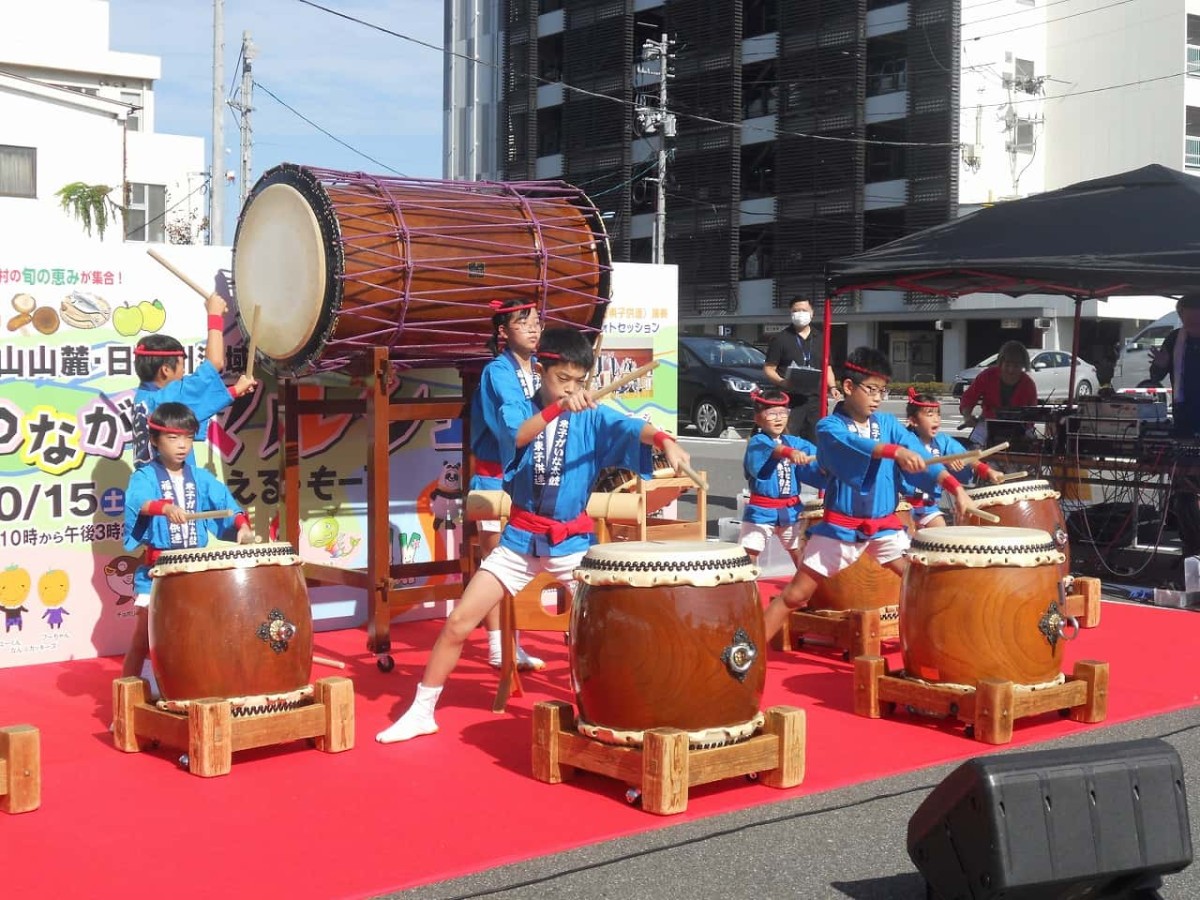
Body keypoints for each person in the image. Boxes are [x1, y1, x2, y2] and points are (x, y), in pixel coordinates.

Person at [376, 327, 692, 743]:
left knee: (612, 630)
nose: (573, 389)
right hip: (519, 541)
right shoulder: (519, 410)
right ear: (542, 370)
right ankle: (422, 712)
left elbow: (633, 427)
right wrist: (559, 406)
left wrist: (666, 441)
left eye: (580, 382)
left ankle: (634, 710)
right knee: (457, 623)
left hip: (573, 545)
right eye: (564, 379)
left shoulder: (592, 416)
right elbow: (517, 436)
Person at [762, 347, 975, 642]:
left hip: (884, 526)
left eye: (882, 391)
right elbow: (852, 445)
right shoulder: (829, 427)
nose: (877, 398)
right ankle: (750, 650)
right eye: (871, 389)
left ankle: (943, 642)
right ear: (848, 387)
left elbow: (921, 456)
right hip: (841, 528)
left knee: (919, 581)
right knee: (796, 596)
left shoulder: (887, 424)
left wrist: (956, 488)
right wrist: (894, 452)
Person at [121, 402, 255, 694]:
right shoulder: (144, 476)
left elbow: (227, 506)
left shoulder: (200, 478)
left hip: (195, 571)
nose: (182, 445)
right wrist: (163, 507)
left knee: (201, 637)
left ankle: (195, 692)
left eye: (186, 438)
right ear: (155, 440)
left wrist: (242, 526)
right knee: (143, 639)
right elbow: (138, 503)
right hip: (158, 573)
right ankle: (125, 705)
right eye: (173, 438)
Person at [470, 298, 545, 671]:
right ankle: (499, 646)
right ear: (503, 332)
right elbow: (515, 418)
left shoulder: (541, 370)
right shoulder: (497, 371)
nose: (534, 329)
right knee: (497, 564)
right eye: (523, 322)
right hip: (492, 478)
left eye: (537, 322)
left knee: (519, 564)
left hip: (525, 479)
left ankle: (513, 642)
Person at [131, 290, 256, 468]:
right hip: (170, 486)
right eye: (181, 365)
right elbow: (215, 363)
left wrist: (236, 390)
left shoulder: (143, 398)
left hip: (151, 483)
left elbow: (193, 404)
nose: (183, 372)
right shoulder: (167, 397)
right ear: (166, 370)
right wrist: (214, 315)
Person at [739, 388, 827, 568]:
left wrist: (829, 463)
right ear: (757, 417)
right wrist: (790, 453)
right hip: (762, 510)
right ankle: (748, 592)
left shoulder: (795, 442)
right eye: (772, 413)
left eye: (783, 413)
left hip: (791, 511)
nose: (778, 418)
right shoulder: (758, 441)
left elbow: (817, 460)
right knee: (748, 557)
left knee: (802, 556)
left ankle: (807, 593)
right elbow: (774, 450)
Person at [900, 389, 1005, 529]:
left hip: (928, 503)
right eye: (930, 415)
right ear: (913, 421)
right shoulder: (905, 439)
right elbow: (921, 461)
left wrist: (987, 471)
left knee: (940, 533)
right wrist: (945, 461)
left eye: (938, 414)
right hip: (904, 501)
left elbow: (966, 456)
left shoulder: (942, 440)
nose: (936, 419)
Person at [1148, 294, 1200, 557]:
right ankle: (1191, 549)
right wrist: (1158, 367)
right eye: (1185, 320)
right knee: (1184, 492)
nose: (1189, 327)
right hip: (1183, 424)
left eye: (1194, 321)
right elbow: (1155, 376)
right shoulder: (1174, 338)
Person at [762, 297, 840, 442]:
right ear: (790, 314)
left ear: (811, 313)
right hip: (790, 400)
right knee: (788, 440)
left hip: (816, 400)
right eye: (796, 311)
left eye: (804, 310)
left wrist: (833, 386)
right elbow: (769, 368)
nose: (800, 314)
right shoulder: (780, 339)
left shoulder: (821, 338)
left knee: (816, 442)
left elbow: (827, 366)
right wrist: (782, 382)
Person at [958, 340, 1037, 448]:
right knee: (973, 450)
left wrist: (1028, 431)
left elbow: (1032, 413)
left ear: (1023, 365)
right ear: (1001, 362)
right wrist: (967, 416)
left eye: (1016, 365)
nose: (1011, 370)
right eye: (1007, 364)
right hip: (988, 423)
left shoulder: (1028, 384)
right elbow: (969, 397)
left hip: (1018, 429)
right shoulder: (987, 376)